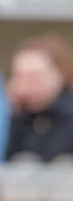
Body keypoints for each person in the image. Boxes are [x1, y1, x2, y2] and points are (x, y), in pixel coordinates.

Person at [5, 33, 73, 162]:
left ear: (60, 74)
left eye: (34, 77)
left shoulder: (67, 116)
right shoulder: (19, 117)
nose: (26, 85)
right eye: (20, 76)